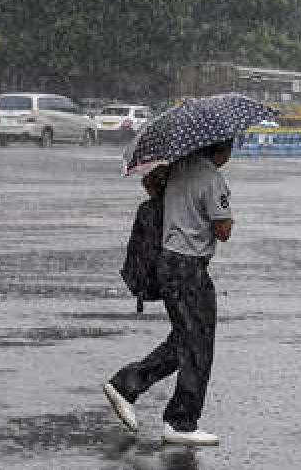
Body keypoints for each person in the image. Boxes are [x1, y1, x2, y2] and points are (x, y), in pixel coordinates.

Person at [103, 140, 234, 446]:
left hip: (168, 264)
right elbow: (223, 231)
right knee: (198, 344)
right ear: (222, 149)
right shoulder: (211, 178)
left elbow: (149, 183)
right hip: (190, 269)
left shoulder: (177, 167)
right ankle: (181, 421)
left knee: (186, 340)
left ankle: (128, 385)